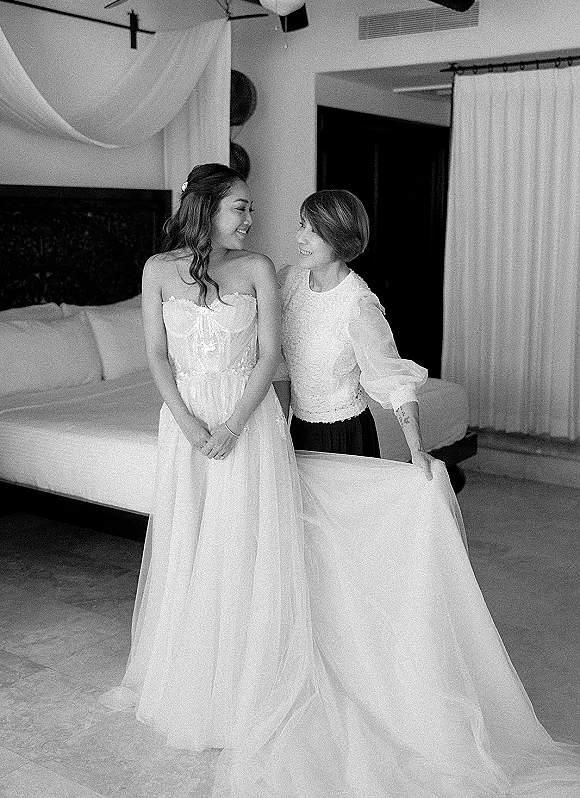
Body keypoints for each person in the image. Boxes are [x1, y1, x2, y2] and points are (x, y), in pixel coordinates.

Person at [101, 163, 580, 798]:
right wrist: (196, 424)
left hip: (302, 427)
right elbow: (178, 354)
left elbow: (328, 364)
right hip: (231, 424)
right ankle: (208, 668)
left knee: (308, 549)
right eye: (243, 208)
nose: (267, 224)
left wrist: (416, 455)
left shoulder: (314, 287)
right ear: (207, 209)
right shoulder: (269, 278)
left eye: (300, 224)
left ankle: (318, 660)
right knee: (235, 546)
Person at [274, 189, 433, 478]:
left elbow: (394, 380)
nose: (300, 238)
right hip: (297, 428)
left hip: (344, 434)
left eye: (314, 231)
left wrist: (416, 449)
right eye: (301, 225)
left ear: (339, 238)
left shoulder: (358, 305)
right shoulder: (289, 281)